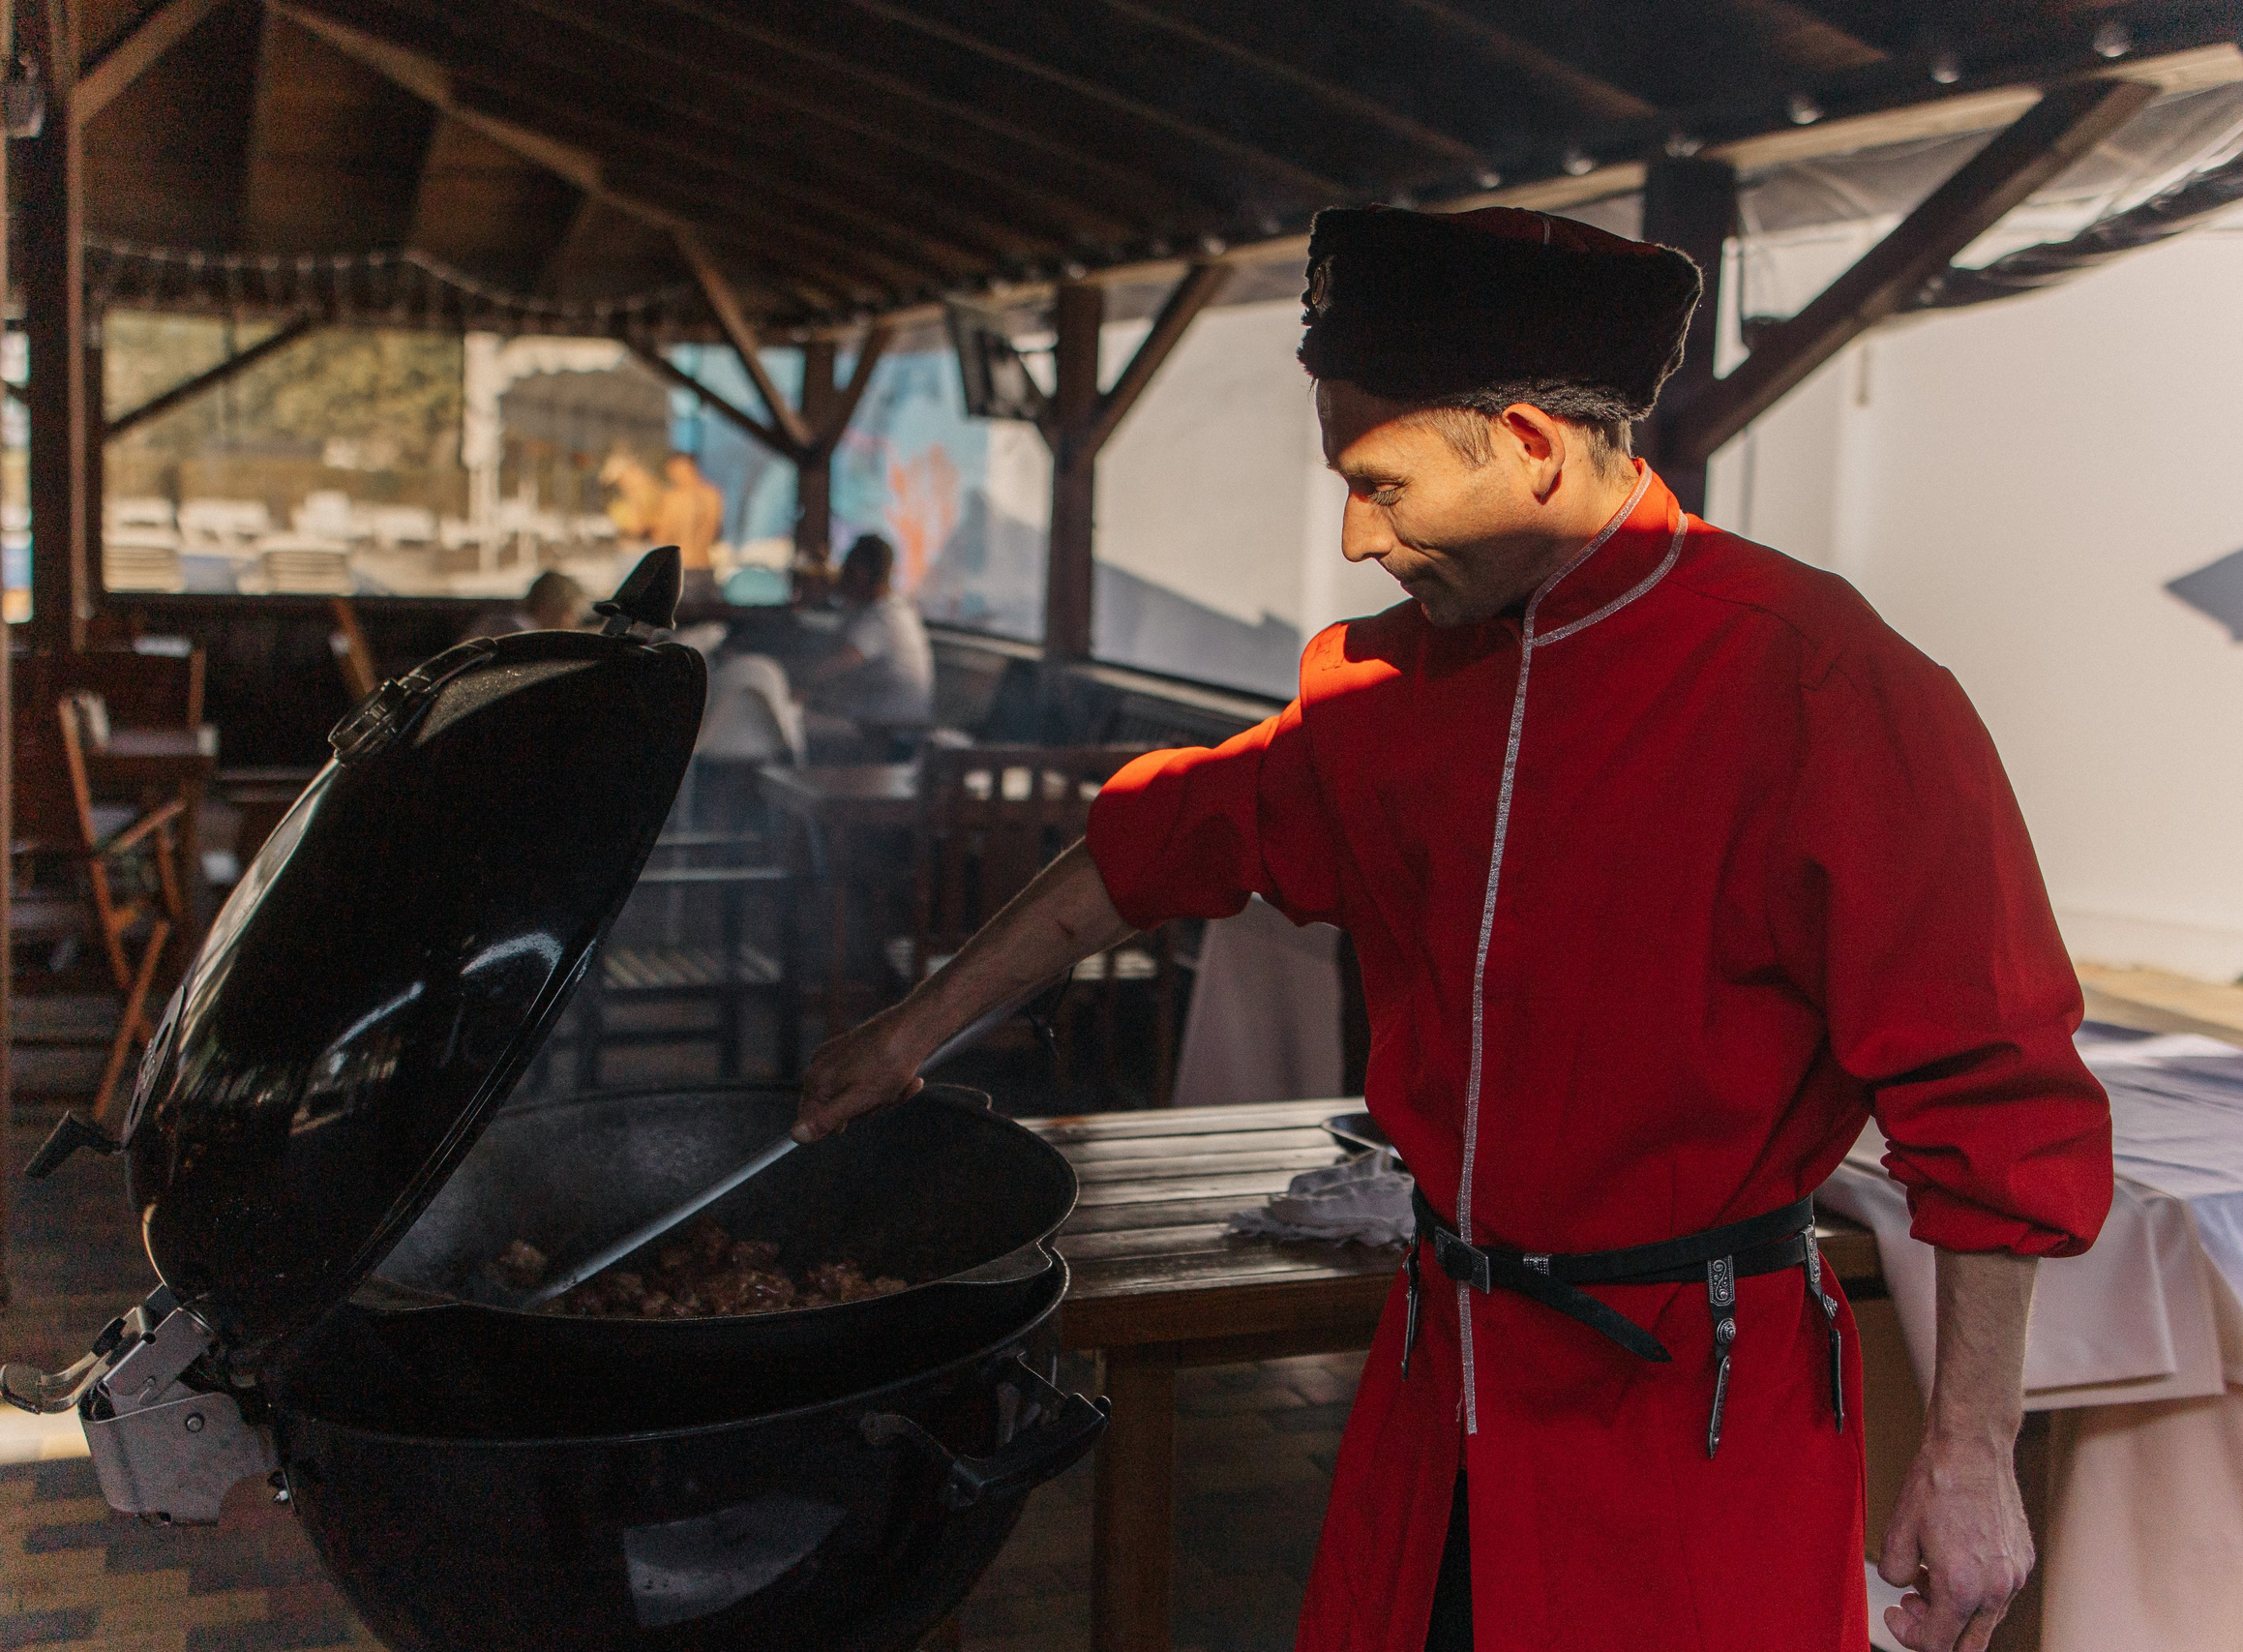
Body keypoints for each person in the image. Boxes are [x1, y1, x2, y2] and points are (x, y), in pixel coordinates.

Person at [795, 206, 2113, 1652]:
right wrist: (911, 1032)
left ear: (1532, 447)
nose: (1356, 536)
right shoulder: (1391, 686)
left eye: (1381, 483)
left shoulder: (1823, 683)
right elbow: (1159, 842)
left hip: (1692, 1398)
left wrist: (1971, 1450)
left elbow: (1994, 1098)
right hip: (1447, 1370)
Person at [799, 533, 933, 729]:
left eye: (846, 569)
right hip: (878, 721)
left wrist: (797, 680)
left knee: (791, 725)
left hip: (888, 730)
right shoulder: (881, 607)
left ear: (859, 574)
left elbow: (835, 665)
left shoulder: (881, 616)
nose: (840, 575)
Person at [648, 451, 725, 573]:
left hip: (681, 567)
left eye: (672, 471)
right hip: (705, 567)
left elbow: (662, 537)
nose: (671, 476)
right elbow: (714, 532)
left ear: (680, 468)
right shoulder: (713, 495)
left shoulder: (673, 498)